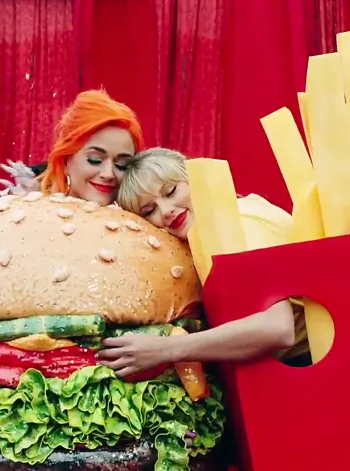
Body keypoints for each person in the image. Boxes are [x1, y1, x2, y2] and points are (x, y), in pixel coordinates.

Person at [98, 147, 310, 376]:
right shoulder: (227, 218)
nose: (167, 210)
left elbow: (279, 328)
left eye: (170, 191)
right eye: (150, 211)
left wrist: (165, 349)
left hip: (310, 366)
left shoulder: (237, 223)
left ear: (192, 175)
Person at [39, 90, 145, 205]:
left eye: (122, 165)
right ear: (65, 161)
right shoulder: (29, 216)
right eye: (95, 159)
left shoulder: (145, 220)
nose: (108, 174)